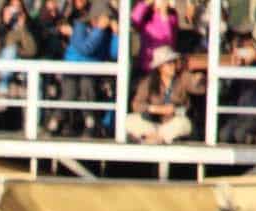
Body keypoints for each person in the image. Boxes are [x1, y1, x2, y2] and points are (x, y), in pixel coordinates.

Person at [54, 0, 115, 135]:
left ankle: (90, 123)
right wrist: (98, 30)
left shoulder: (105, 33)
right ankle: (56, 121)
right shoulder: (80, 25)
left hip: (92, 69)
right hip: (74, 66)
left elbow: (114, 53)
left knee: (87, 85)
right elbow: (85, 48)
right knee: (70, 92)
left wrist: (116, 34)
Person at [126, 44, 203, 140]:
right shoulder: (149, 82)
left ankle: (157, 138)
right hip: (152, 123)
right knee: (129, 120)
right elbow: (136, 104)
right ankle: (153, 136)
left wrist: (199, 79)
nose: (173, 66)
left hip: (173, 122)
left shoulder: (182, 77)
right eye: (169, 63)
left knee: (183, 123)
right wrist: (155, 109)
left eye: (174, 62)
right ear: (160, 67)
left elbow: (197, 87)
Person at [132, 0, 181, 74]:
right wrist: (147, 3)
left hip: (165, 62)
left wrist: (164, 15)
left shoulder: (172, 16)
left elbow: (168, 39)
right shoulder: (146, 16)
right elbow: (135, 19)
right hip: (147, 64)